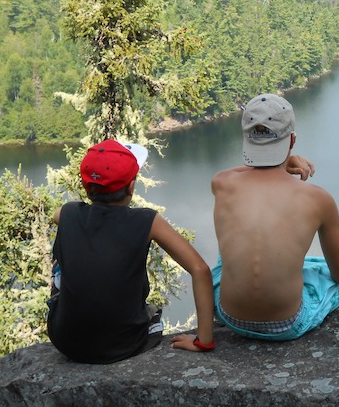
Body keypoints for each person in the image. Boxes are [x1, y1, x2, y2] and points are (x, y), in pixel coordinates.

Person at [172, 93, 339, 346]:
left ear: (246, 139)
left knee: (229, 256)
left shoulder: (221, 183)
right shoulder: (318, 199)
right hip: (288, 324)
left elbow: (236, 171)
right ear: (292, 139)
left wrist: (280, 161)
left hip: (229, 316)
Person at [48, 139, 215, 364]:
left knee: (61, 262)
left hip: (66, 342)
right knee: (152, 315)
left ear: (86, 186)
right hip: (125, 345)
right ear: (131, 187)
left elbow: (56, 216)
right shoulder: (146, 221)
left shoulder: (67, 214)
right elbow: (200, 269)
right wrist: (203, 341)